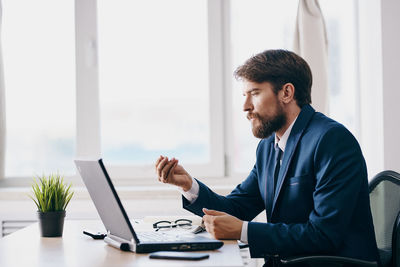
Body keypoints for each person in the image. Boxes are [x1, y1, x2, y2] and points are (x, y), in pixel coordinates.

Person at [154, 49, 379, 265]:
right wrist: (189, 186)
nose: (245, 106)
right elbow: (237, 209)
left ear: (286, 93)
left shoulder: (332, 140)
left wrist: (243, 230)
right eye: (244, 95)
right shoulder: (267, 148)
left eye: (254, 93)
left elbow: (323, 235)